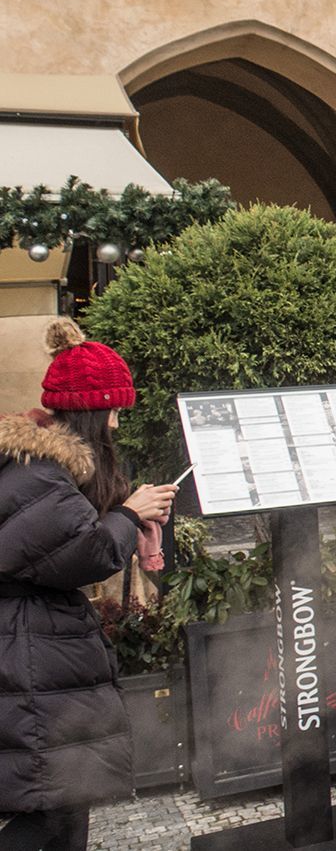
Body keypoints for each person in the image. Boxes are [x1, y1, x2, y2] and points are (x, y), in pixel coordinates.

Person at [0, 319, 177, 851]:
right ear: (92, 412)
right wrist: (127, 514)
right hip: (29, 648)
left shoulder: (42, 460)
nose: (118, 425)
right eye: (115, 411)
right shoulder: (37, 472)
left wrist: (132, 520)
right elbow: (81, 554)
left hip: (36, 643)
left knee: (62, 798)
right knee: (50, 803)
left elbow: (64, 527)